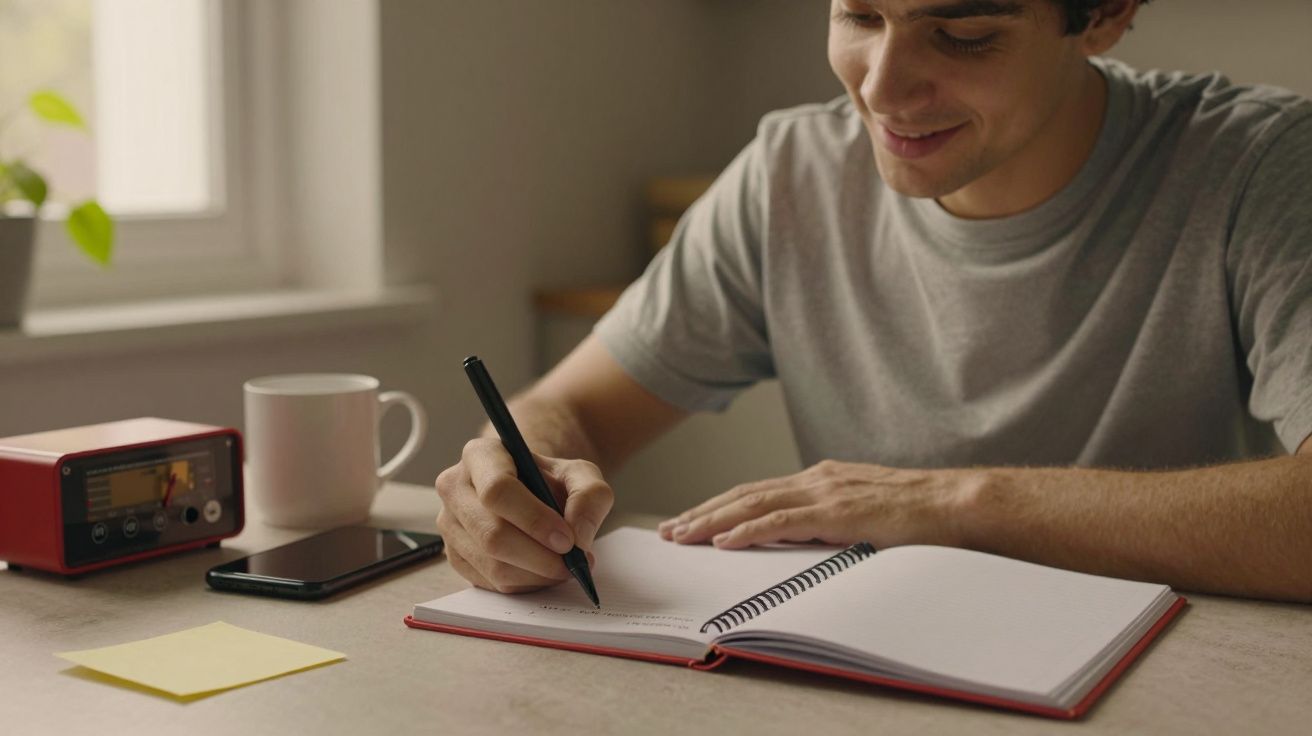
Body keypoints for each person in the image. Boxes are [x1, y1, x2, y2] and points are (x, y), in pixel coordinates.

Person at [436, 0, 1312, 602]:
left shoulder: (1260, 167)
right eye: (859, 14)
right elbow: (571, 409)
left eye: (963, 32)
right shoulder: (790, 175)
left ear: (1108, 14)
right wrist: (515, 476)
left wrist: (956, 506)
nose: (881, 90)